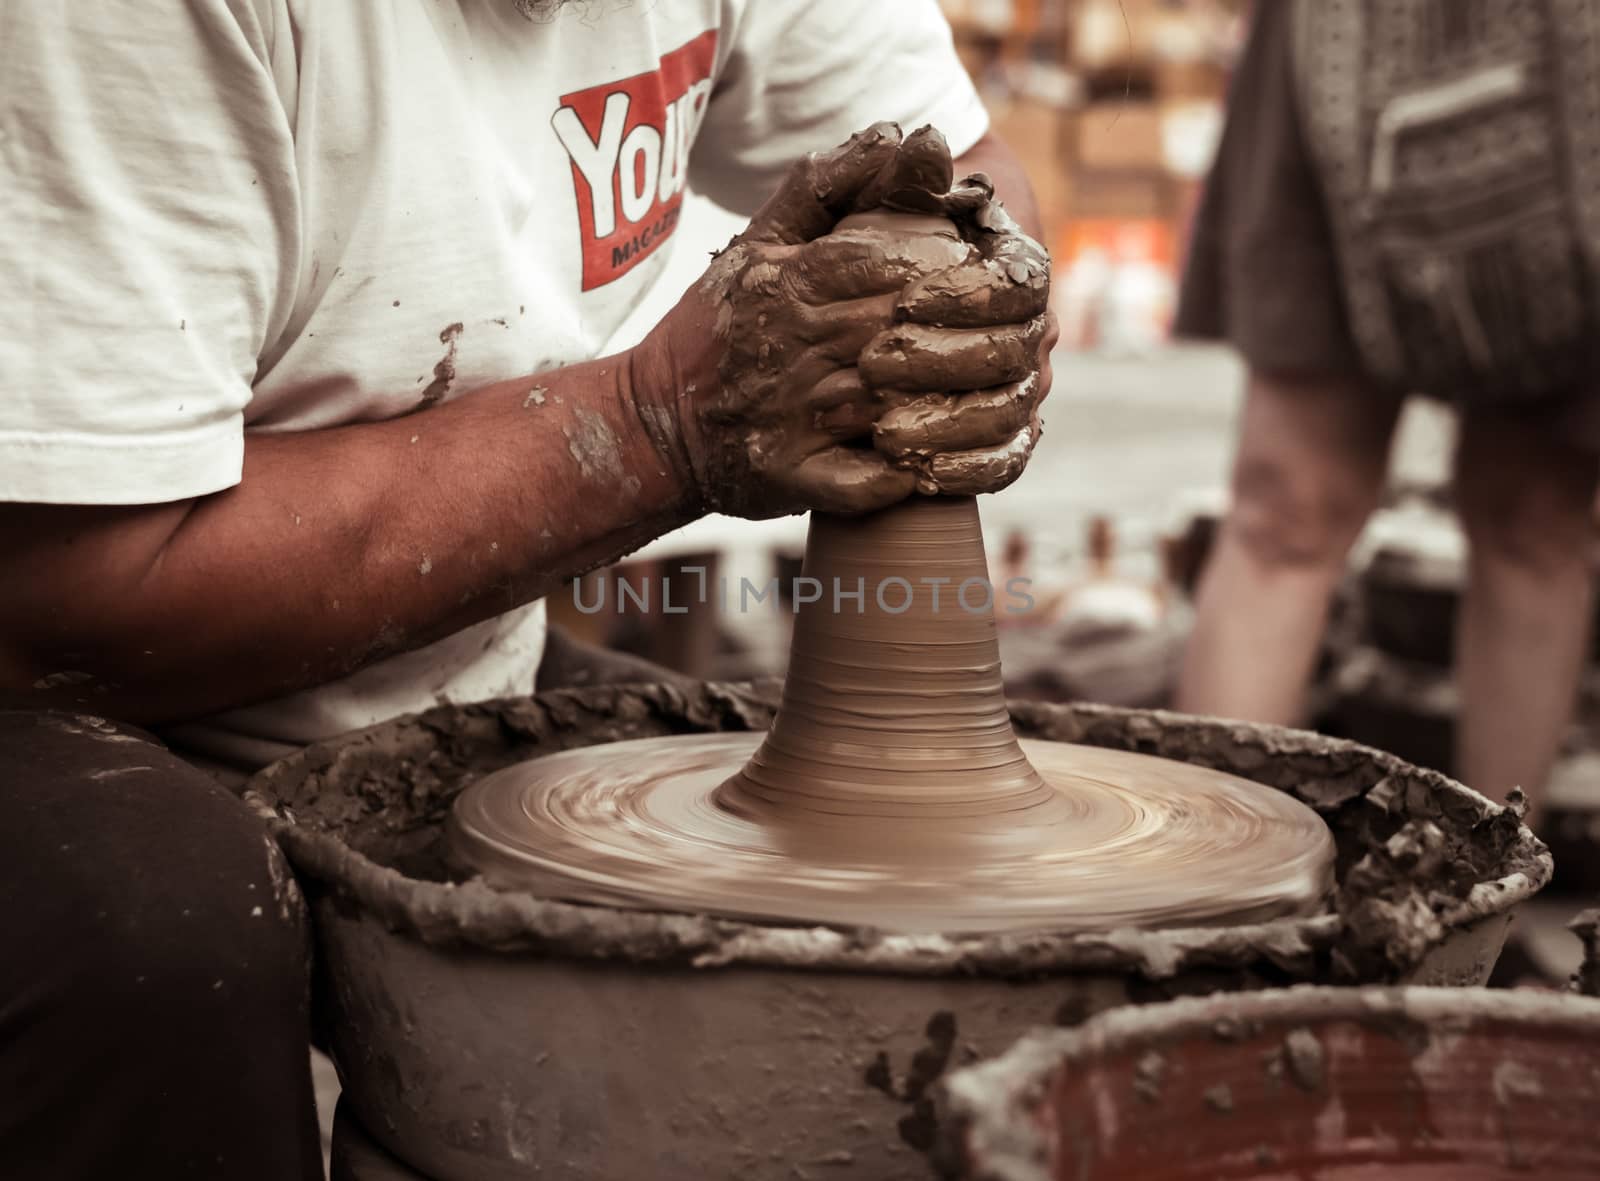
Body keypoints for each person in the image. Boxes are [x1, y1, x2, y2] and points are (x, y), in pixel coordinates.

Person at [0, 3, 1054, 1176]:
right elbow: (67, 600)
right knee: (157, 929)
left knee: (802, 870)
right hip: (62, 689)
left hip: (418, 641)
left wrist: (953, 302)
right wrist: (659, 425)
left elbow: (962, 169)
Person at [1174, 0, 1600, 826]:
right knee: (1285, 509)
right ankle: (1203, 908)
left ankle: (1491, 910)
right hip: (1339, 37)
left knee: (1535, 516)